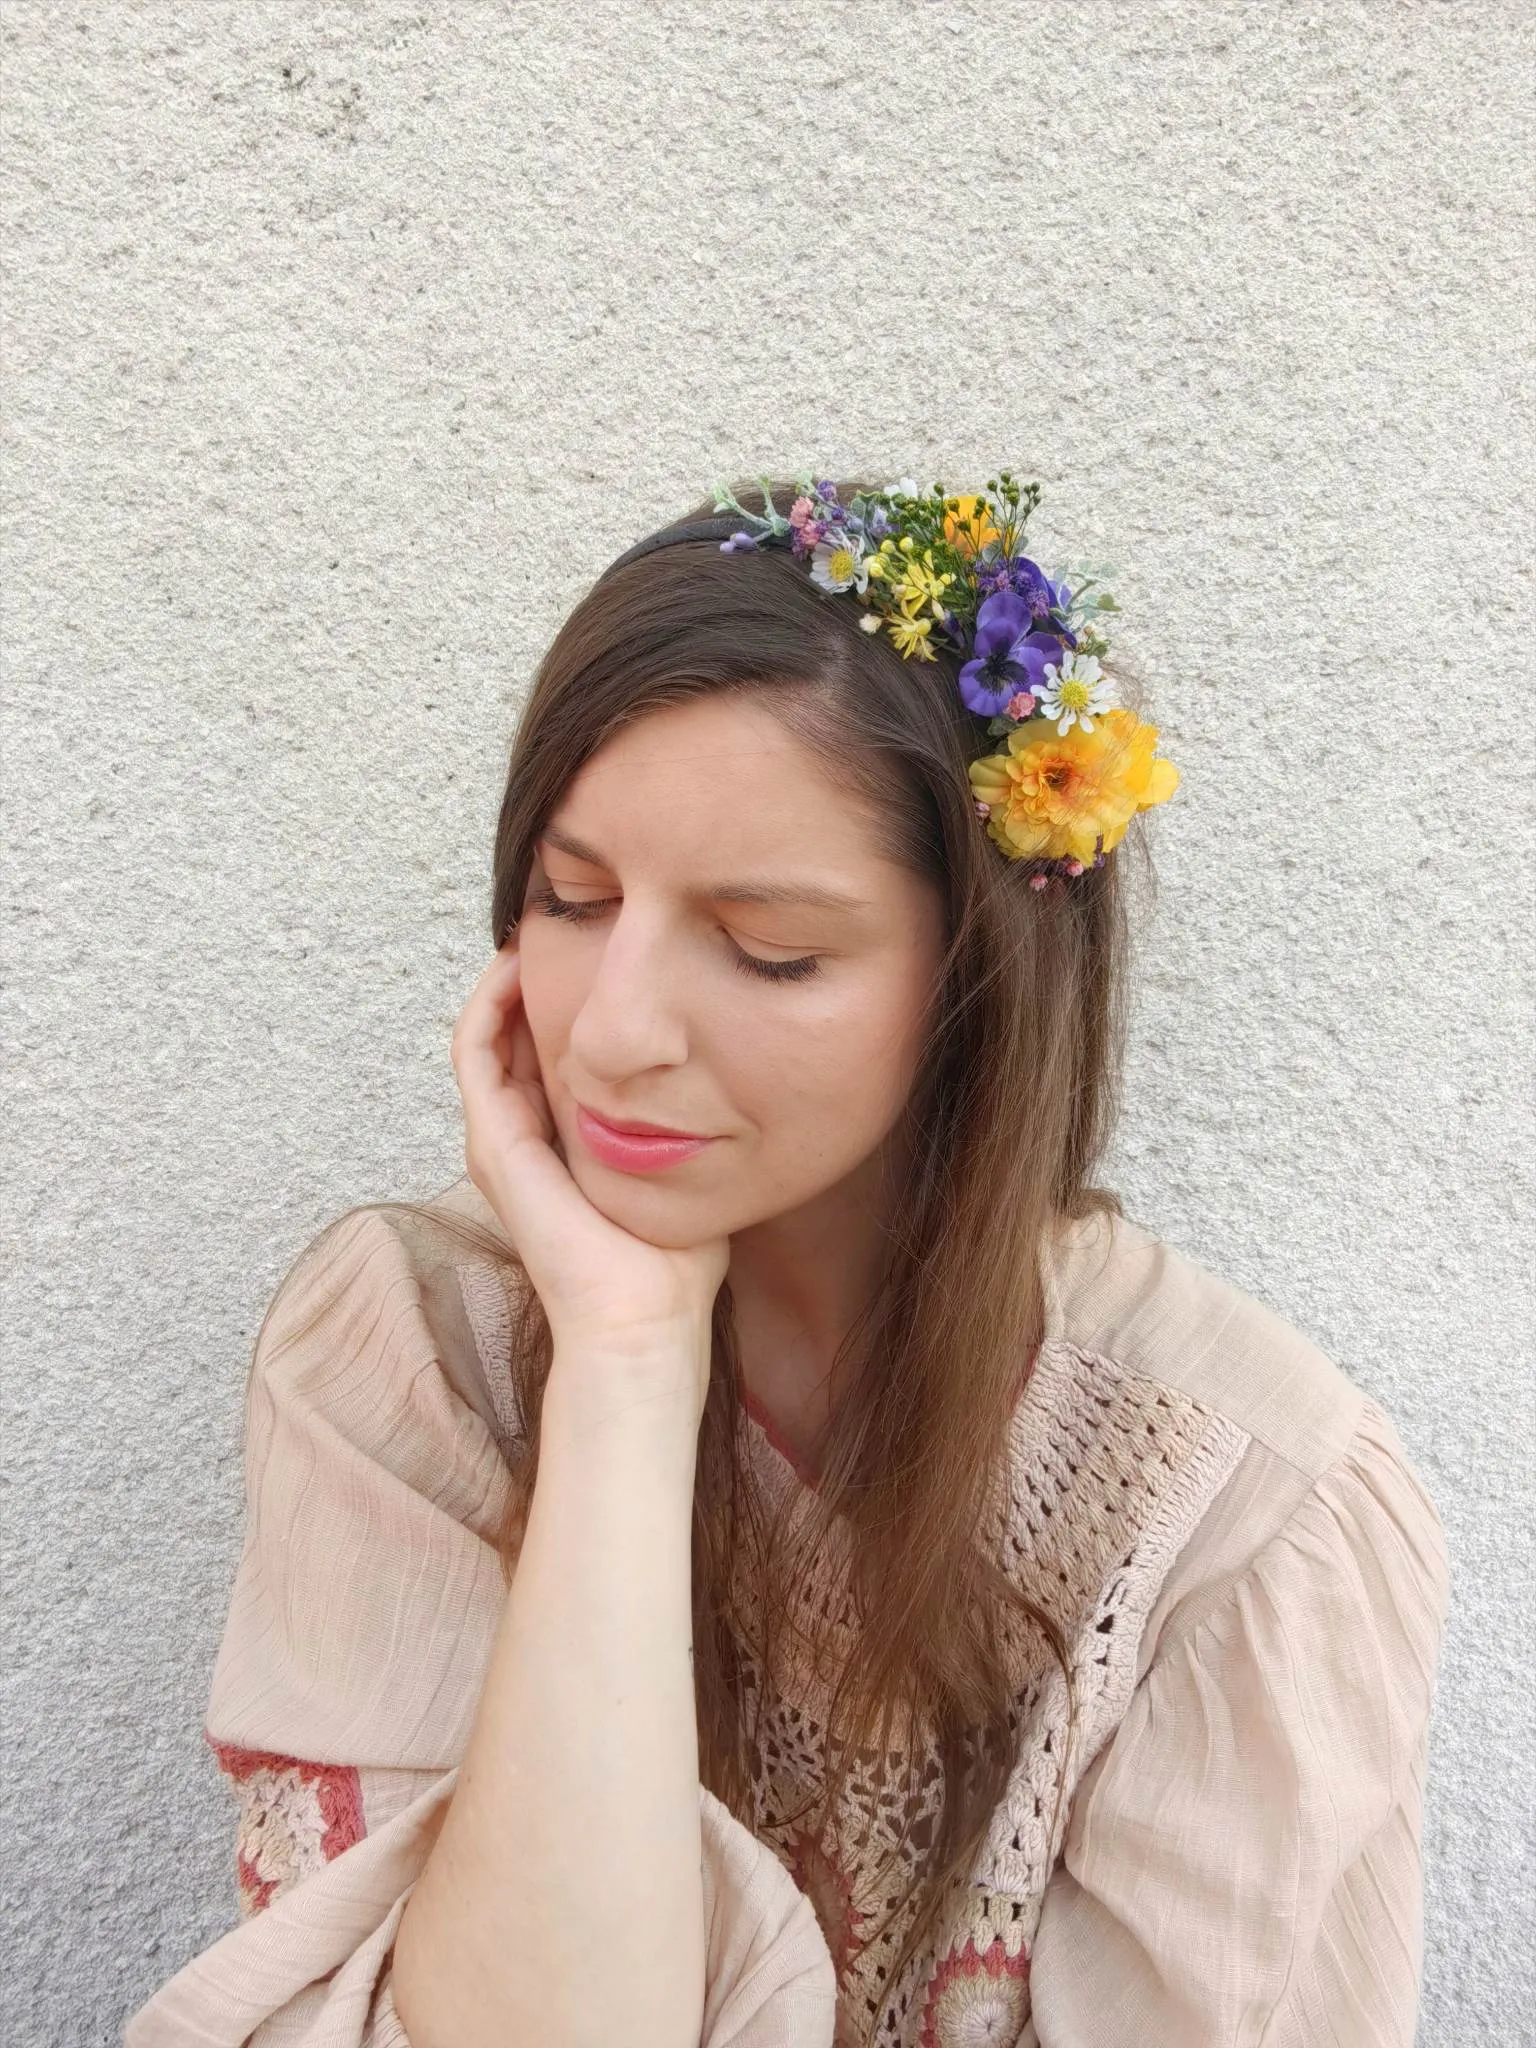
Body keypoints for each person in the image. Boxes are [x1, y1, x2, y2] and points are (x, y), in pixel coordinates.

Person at [126, 475, 1450, 2048]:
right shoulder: (423, 1354)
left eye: (767, 951)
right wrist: (622, 1363)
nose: (612, 1030)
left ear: (975, 980)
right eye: (571, 899)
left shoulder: (1240, 1519)